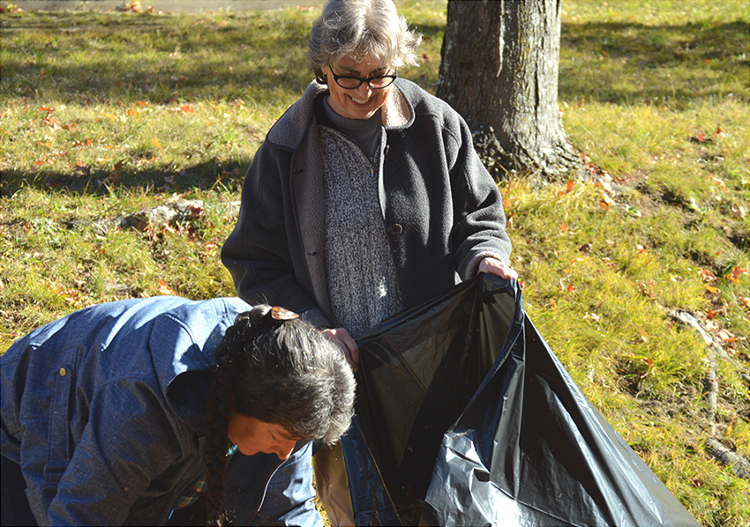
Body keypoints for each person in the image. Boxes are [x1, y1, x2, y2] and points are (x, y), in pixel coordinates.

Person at [220, 0, 516, 521]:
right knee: (356, 502)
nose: (364, 91)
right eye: (348, 76)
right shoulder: (286, 147)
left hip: (428, 362)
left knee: (446, 496)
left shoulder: (435, 124)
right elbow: (254, 263)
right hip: (338, 369)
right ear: (322, 69)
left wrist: (484, 258)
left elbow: (480, 214)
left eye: (380, 75)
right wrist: (313, 327)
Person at [0, 297, 355, 527]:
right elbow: (82, 515)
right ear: (240, 403)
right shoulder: (143, 403)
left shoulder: (291, 392)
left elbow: (288, 511)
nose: (287, 453)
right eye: (282, 438)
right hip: (25, 422)